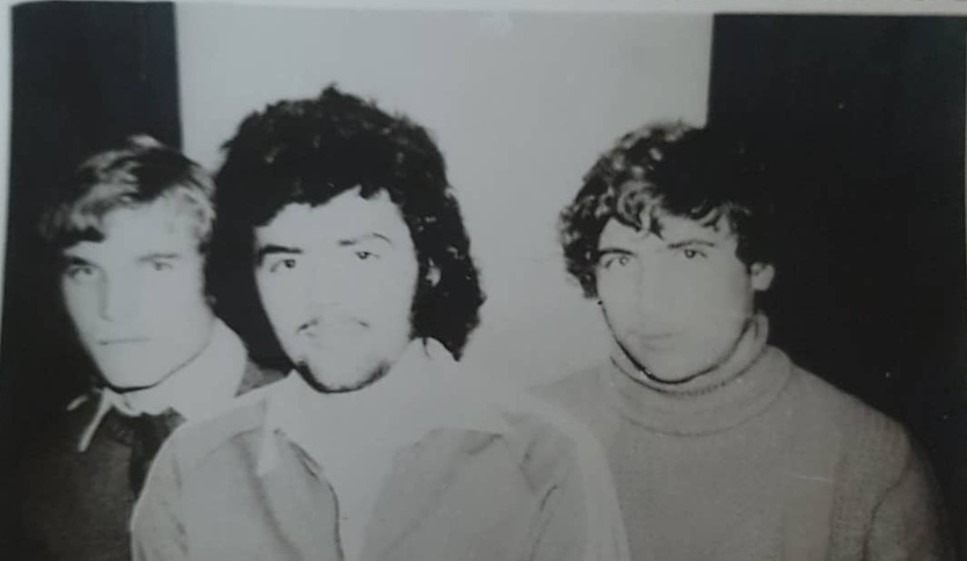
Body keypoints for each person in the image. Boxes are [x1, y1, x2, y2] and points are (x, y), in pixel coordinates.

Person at [131, 86, 629, 561]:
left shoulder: (545, 463)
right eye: (288, 262)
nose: (323, 295)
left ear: (429, 264)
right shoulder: (192, 470)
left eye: (361, 255)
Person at [537, 122, 952, 560]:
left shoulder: (869, 460)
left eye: (690, 254)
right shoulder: (533, 438)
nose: (651, 299)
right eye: (621, 261)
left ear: (759, 267)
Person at [16, 136, 281, 561]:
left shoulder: (316, 432)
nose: (113, 308)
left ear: (214, 274)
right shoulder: (39, 467)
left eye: (156, 266)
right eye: (85, 270)